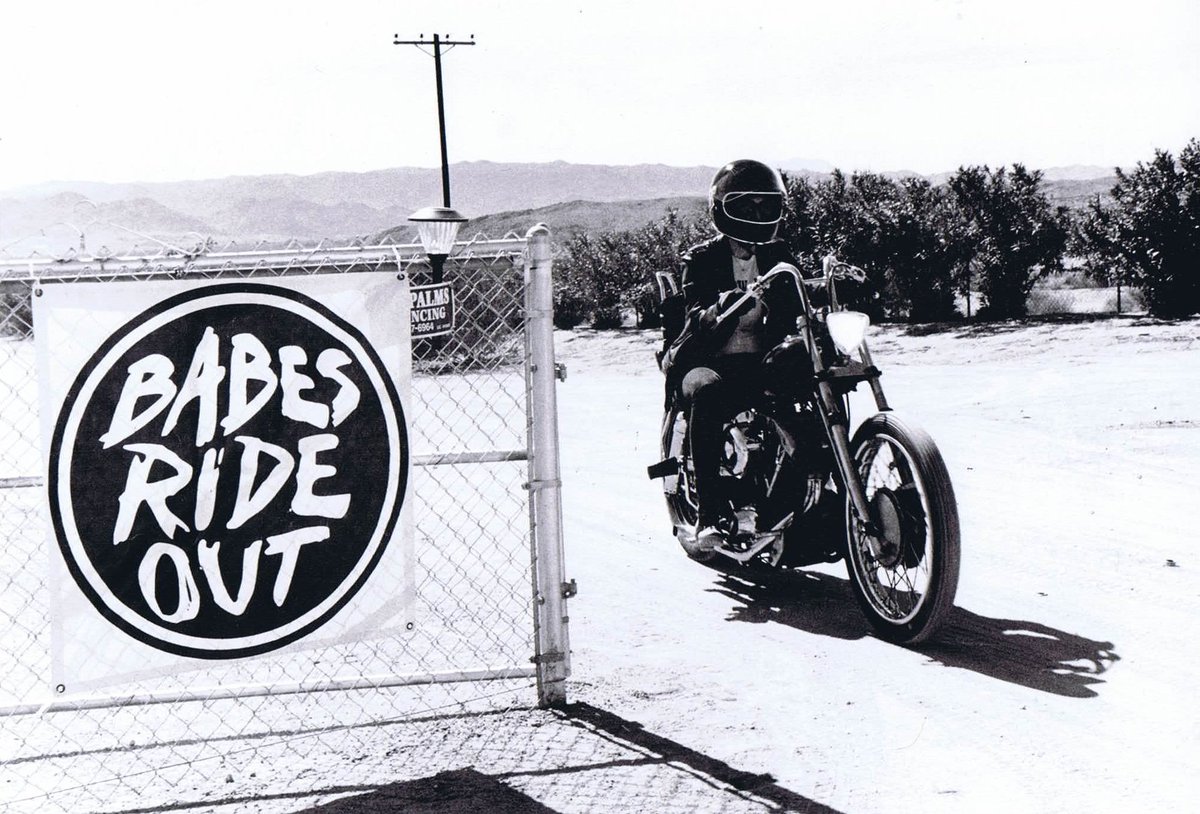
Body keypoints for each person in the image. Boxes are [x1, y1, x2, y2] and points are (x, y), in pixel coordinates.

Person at [671, 159, 803, 555]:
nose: (758, 215)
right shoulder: (701, 259)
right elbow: (695, 316)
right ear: (723, 209)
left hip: (760, 363)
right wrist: (719, 307)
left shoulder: (779, 254)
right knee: (708, 393)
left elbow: (799, 299)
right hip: (710, 362)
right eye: (747, 206)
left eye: (767, 206)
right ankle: (709, 515)